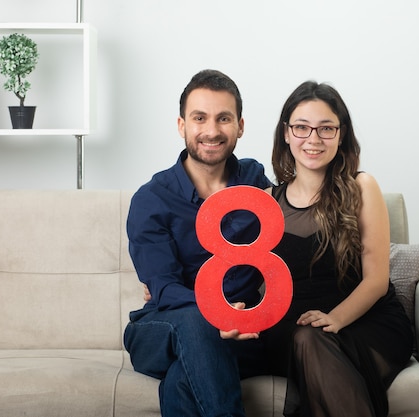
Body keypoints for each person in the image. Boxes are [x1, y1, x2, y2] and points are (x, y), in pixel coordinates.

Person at [123, 69, 273, 417]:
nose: (211, 130)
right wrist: (220, 311)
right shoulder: (152, 199)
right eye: (199, 118)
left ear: (240, 126)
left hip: (240, 334)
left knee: (183, 379)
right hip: (160, 330)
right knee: (197, 320)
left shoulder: (255, 183)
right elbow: (163, 288)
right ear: (182, 126)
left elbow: (292, 229)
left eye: (224, 118)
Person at [264, 81, 414, 417]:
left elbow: (376, 280)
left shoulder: (362, 186)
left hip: (365, 323)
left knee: (310, 340)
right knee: (304, 338)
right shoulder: (268, 201)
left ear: (341, 134)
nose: (313, 139)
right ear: (286, 134)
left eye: (326, 128)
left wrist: (335, 319)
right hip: (295, 332)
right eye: (301, 127)